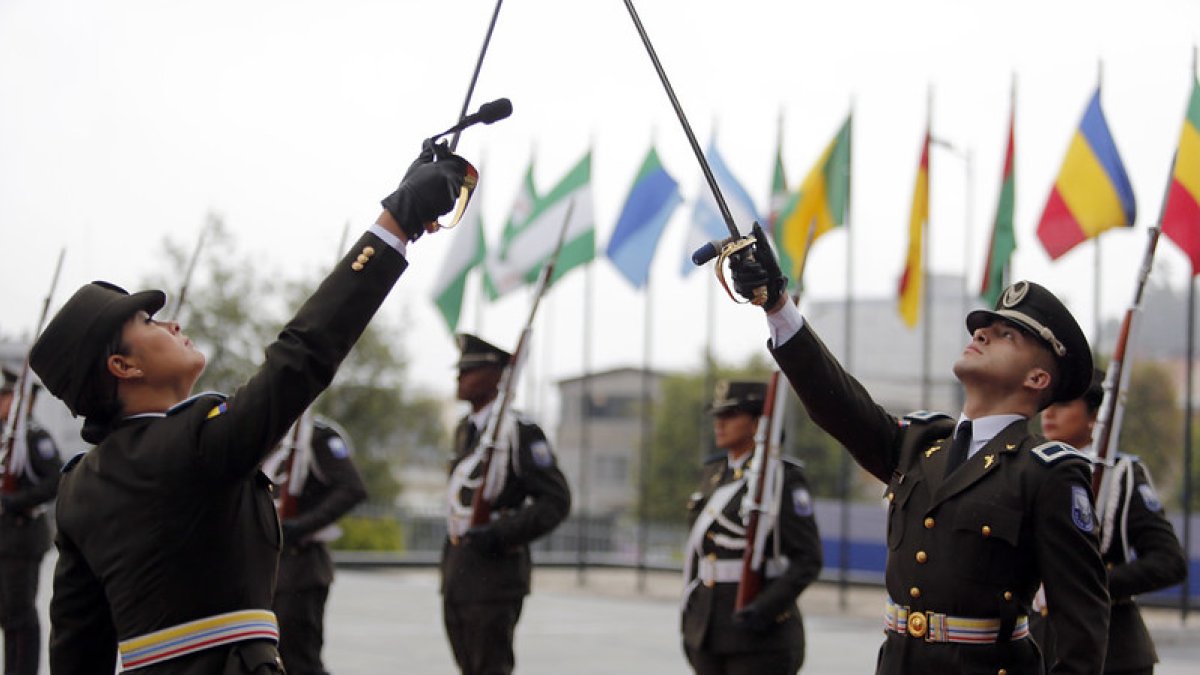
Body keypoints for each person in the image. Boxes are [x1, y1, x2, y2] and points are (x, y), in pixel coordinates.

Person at [29, 141, 469, 674]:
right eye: (147, 323)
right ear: (123, 368)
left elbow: (76, 651)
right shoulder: (195, 442)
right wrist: (395, 224)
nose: (171, 324)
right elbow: (302, 354)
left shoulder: (79, 487)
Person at [727, 224, 1110, 674]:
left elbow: (1084, 632)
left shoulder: (1047, 474)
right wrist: (777, 305)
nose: (982, 332)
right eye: (986, 325)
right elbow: (838, 404)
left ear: (1038, 379)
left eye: (1007, 335)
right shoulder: (921, 444)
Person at [1031, 369, 1187, 674]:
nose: (1049, 412)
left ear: (1094, 416)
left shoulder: (1120, 475)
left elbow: (1169, 562)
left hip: (1113, 651)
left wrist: (1091, 581)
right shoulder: (1029, 469)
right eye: (1047, 403)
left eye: (1063, 404)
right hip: (1040, 646)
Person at [441, 333, 571, 675]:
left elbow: (556, 501)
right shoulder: (464, 430)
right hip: (459, 573)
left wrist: (500, 533)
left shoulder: (519, 432)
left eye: (469, 371)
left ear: (497, 376)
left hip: (495, 575)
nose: (459, 378)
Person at [681, 379, 822, 675]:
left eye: (731, 415)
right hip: (708, 632)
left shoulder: (781, 478)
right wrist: (692, 623)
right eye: (718, 416)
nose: (720, 423)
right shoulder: (715, 474)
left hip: (760, 639)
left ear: (758, 423)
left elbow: (808, 559)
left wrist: (765, 608)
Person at [266, 410, 367, 675]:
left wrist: (301, 526)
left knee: (298, 661)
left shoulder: (317, 436)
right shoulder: (268, 432)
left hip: (300, 567)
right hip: (266, 567)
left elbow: (352, 489)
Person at [0, 367, 61, 675]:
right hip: (4, 538)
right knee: (7, 614)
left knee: (19, 615)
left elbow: (55, 480)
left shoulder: (34, 437)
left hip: (22, 538)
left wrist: (14, 502)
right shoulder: (6, 439)